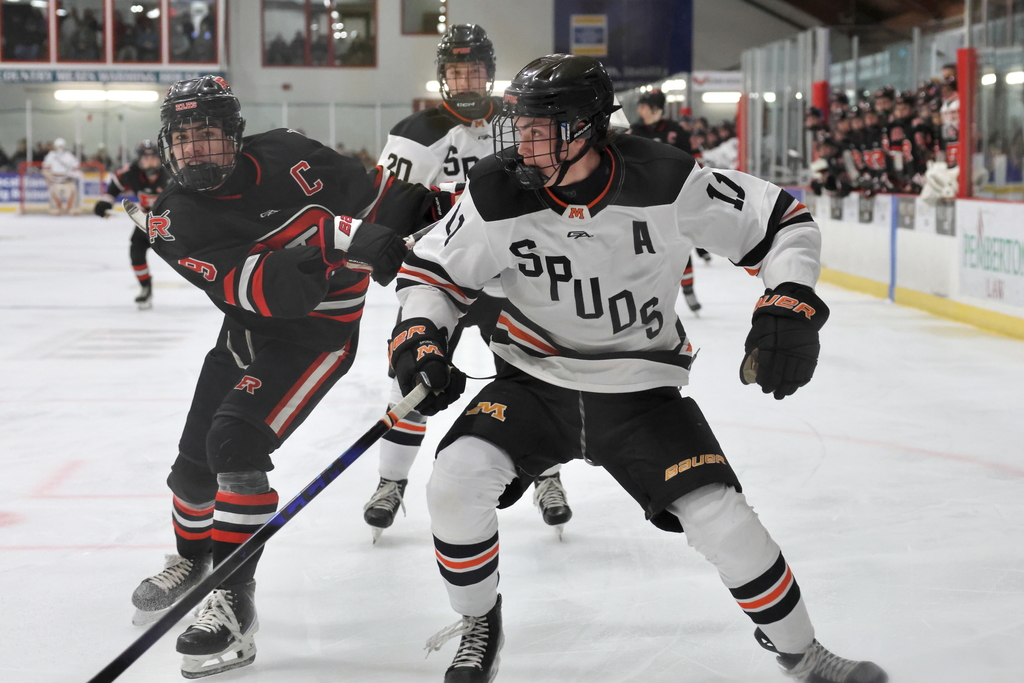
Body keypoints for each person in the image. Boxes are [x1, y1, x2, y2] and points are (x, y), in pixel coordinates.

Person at [390, 54, 888, 683]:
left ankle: (803, 653)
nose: (522, 138)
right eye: (520, 122)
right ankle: (479, 622)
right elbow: (434, 271)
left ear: (590, 128)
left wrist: (789, 301)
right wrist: (420, 337)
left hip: (641, 394)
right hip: (532, 383)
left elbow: (783, 222)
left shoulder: (668, 180)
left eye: (543, 126)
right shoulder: (494, 188)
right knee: (455, 482)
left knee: (726, 523)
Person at [130, 75, 437, 678]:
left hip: (317, 339)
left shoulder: (290, 153)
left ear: (236, 136)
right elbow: (278, 290)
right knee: (192, 470)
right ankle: (194, 561)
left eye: (208, 135)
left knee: (235, 441)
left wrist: (437, 221)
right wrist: (340, 235)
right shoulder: (171, 218)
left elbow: (378, 196)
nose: (194, 149)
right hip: (257, 324)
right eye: (183, 137)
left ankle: (234, 601)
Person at [364, 24, 573, 542]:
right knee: (411, 375)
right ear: (442, 76)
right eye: (457, 71)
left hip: (511, 274)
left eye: (475, 70)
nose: (466, 80)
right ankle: (391, 482)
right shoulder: (419, 129)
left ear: (489, 74)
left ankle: (547, 476)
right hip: (444, 272)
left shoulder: (520, 120)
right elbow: (388, 202)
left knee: (534, 376)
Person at [628, 89, 702, 313]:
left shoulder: (676, 131)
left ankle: (688, 289)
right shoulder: (635, 130)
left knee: (679, 243)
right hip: (641, 201)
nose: (640, 110)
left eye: (644, 106)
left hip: (673, 197)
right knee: (642, 248)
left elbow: (696, 161)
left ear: (655, 109)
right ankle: (646, 295)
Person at [94, 140, 172, 308]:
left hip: (174, 223)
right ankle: (145, 288)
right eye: (146, 158)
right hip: (145, 222)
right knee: (136, 253)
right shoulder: (131, 172)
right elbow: (114, 186)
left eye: (154, 158)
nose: (150, 162)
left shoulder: (173, 170)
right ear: (139, 160)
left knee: (191, 255)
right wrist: (105, 202)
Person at [41, 137, 81, 215]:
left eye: (61, 146)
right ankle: (55, 208)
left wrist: (73, 174)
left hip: (67, 181)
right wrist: (48, 177)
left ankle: (73, 208)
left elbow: (76, 168)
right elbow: (45, 168)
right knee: (53, 199)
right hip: (55, 181)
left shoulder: (69, 156)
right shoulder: (51, 155)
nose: (60, 148)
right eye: (59, 146)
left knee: (73, 193)